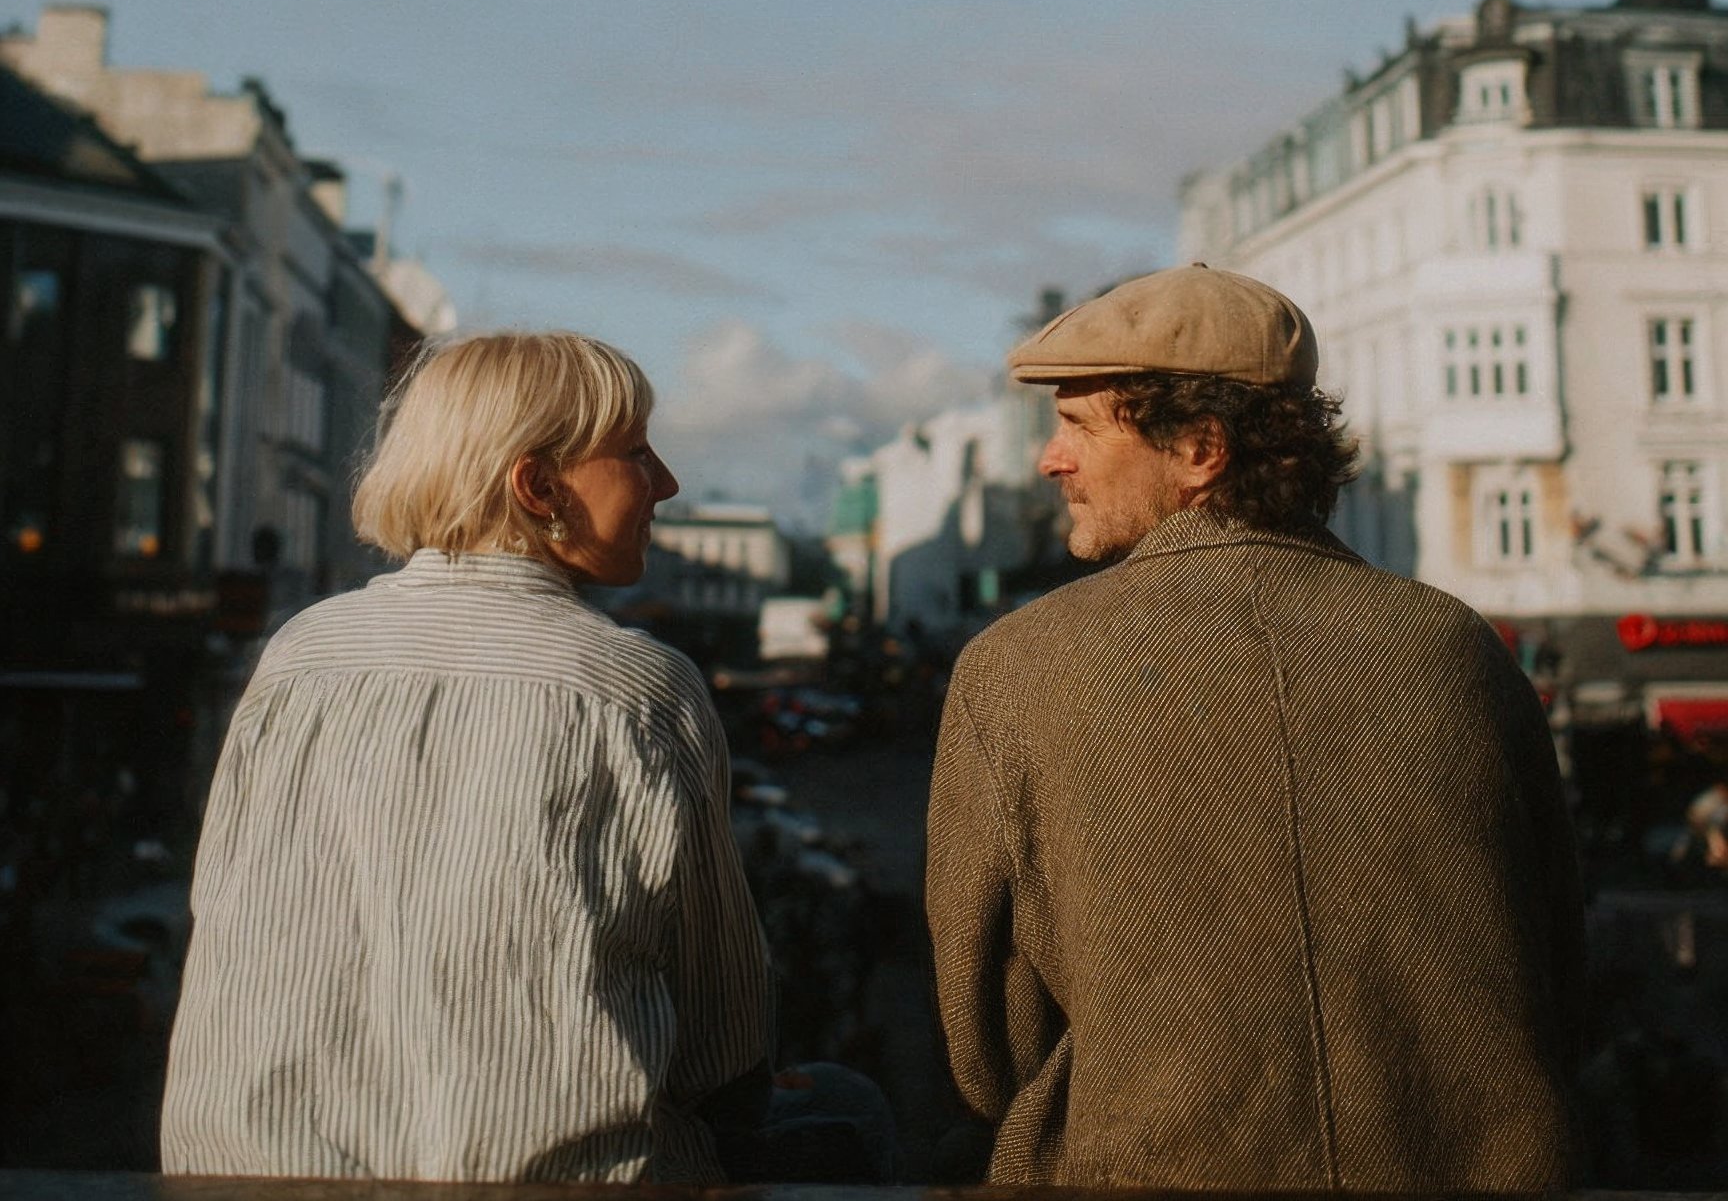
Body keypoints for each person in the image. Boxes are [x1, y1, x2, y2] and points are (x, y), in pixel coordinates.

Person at [925, 262, 1585, 1190]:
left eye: (1077, 425)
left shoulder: (1015, 668)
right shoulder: (1451, 644)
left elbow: (988, 1040)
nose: (1051, 459)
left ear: (1201, 449)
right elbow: (1558, 961)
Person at [161, 331, 776, 1182]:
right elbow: (725, 1033)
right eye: (635, 451)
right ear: (539, 485)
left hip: (241, 1174)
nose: (665, 482)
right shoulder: (637, 687)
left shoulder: (299, 654)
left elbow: (219, 897)